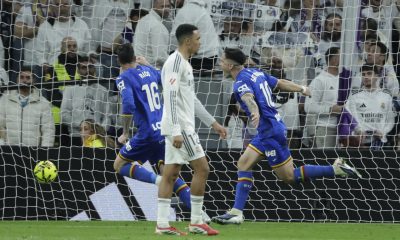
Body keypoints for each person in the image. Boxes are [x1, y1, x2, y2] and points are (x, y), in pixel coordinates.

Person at [212, 48, 361, 225]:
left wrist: (254, 112)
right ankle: (236, 212)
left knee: (288, 177)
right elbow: (280, 83)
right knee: (243, 163)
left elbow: (248, 97)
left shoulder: (239, 83)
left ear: (230, 65)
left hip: (270, 132)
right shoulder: (255, 73)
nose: (220, 63)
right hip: (270, 129)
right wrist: (302, 88)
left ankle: (335, 169)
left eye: (222, 61)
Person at [112, 43, 216, 230]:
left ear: (118, 61)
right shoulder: (148, 71)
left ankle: (157, 181)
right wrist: (149, 64)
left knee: (119, 165)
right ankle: (199, 215)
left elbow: (127, 104)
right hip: (164, 130)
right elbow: (167, 79)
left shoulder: (123, 77)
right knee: (172, 174)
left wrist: (125, 132)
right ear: (136, 56)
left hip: (146, 134)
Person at [156, 24, 227, 236]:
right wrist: (177, 130)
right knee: (202, 168)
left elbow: (191, 99)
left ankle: (161, 224)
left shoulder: (185, 64)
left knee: (170, 173)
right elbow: (170, 96)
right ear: (187, 41)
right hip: (180, 127)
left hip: (177, 125)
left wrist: (212, 122)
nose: (200, 42)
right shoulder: (175, 62)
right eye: (198, 39)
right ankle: (196, 221)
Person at [340, 65, 395, 149]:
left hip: (379, 141)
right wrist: (358, 129)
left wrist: (383, 131)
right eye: (363, 74)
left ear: (376, 76)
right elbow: (349, 116)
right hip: (359, 142)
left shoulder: (386, 95)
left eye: (369, 74)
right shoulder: (354, 95)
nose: (366, 77)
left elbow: (391, 120)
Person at [0, 67, 55, 146]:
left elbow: (48, 130)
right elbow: (0, 126)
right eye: (21, 77)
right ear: (17, 80)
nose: (24, 80)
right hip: (9, 151)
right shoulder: (4, 100)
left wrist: (44, 151)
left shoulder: (43, 103)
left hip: (33, 151)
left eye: (28, 78)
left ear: (34, 81)